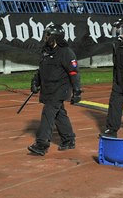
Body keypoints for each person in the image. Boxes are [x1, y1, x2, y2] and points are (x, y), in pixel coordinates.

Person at [28, 24, 82, 156]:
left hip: (59, 89)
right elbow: (41, 70)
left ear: (55, 38)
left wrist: (77, 91)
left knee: (48, 114)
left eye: (48, 35)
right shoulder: (46, 51)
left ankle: (42, 144)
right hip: (48, 89)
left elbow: (74, 72)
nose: (45, 37)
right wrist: (35, 81)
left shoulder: (66, 52)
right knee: (59, 115)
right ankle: (69, 139)